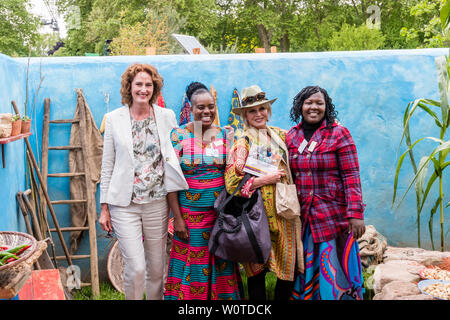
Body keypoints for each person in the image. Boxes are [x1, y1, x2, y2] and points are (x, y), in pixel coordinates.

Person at [98, 63, 188, 300]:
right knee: (136, 268)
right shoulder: (114, 119)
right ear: (129, 86)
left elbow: (178, 153)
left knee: (157, 269)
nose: (144, 89)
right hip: (124, 205)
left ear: (154, 88)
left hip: (157, 202)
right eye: (139, 84)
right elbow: (107, 166)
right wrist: (104, 207)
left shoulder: (167, 117)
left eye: (149, 85)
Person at [164, 81, 243, 300]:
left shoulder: (226, 135)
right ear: (191, 108)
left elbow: (235, 174)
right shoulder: (178, 136)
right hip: (189, 216)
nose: (206, 111)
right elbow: (170, 180)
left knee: (221, 262)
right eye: (201, 107)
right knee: (193, 263)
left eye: (211, 106)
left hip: (220, 216)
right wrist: (177, 219)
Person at [224, 85, 304, 300]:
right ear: (245, 116)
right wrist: (262, 180)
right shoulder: (243, 143)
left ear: (268, 110)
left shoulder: (281, 135)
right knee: (257, 270)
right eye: (252, 111)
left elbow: (304, 152)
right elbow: (232, 183)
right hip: (255, 215)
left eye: (262, 109)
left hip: (284, 212)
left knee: (287, 269)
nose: (258, 114)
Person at [287, 85, 366, 300]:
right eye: (309, 103)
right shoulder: (292, 137)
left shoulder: (338, 133)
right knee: (308, 266)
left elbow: (351, 176)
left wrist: (355, 214)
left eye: (319, 103)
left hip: (332, 216)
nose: (314, 107)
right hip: (304, 217)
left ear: (326, 106)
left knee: (334, 266)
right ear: (300, 106)